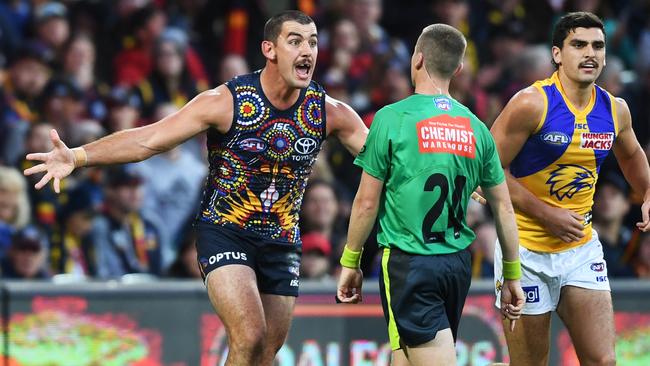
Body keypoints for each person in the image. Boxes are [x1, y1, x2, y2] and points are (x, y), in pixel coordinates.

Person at [24, 10, 368, 365]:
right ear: (270, 49)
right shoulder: (226, 101)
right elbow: (149, 140)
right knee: (250, 335)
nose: (307, 50)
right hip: (225, 232)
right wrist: (79, 156)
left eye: (312, 42)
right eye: (295, 41)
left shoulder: (331, 112)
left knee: (266, 353)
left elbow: (385, 164)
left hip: (282, 240)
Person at [336, 24, 525, 366]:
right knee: (407, 358)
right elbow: (504, 208)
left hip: (411, 263)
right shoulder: (477, 128)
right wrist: (512, 273)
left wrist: (351, 261)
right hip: (456, 264)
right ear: (458, 69)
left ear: (418, 59)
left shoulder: (392, 118)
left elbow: (366, 201)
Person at [490, 12, 650, 366]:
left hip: (580, 250)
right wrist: (546, 214)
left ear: (606, 56)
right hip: (524, 252)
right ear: (557, 54)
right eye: (578, 44)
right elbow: (484, 173)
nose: (589, 53)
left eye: (597, 45)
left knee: (604, 361)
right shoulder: (531, 103)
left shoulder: (615, 109)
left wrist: (648, 192)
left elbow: (633, 155)